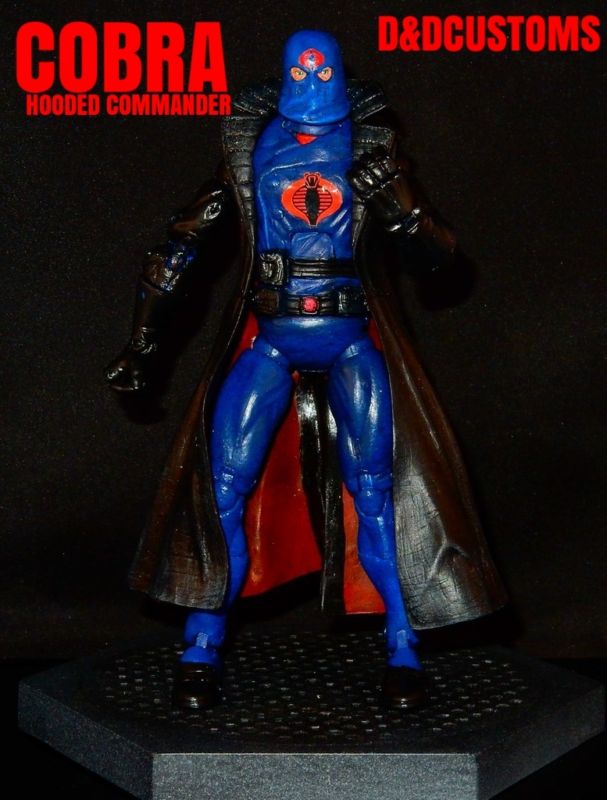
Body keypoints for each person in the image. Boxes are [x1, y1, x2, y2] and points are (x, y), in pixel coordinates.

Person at [106, 29, 506, 711]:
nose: (312, 81)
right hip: (271, 337)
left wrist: (399, 208)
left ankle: (402, 642)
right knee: (223, 487)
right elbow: (178, 250)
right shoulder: (249, 151)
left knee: (374, 495)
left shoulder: (372, 147)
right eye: (302, 70)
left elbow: (440, 258)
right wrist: (142, 343)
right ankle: (202, 639)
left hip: (350, 341)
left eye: (322, 70)